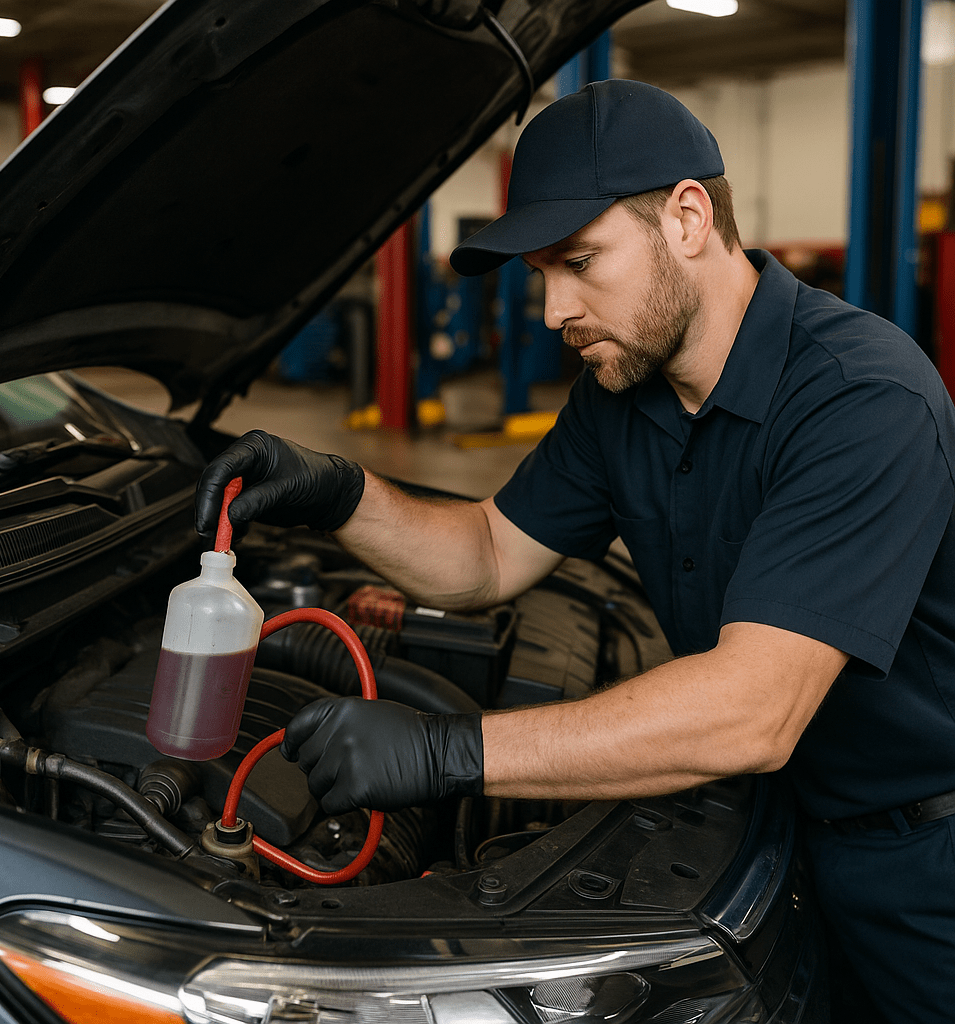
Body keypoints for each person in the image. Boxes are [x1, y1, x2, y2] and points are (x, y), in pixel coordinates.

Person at [195, 80, 955, 1023]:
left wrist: (450, 752)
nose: (556, 311)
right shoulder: (620, 401)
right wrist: (341, 492)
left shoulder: (861, 399)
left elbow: (754, 710)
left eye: (581, 262)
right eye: (541, 275)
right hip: (773, 828)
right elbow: (485, 554)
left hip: (925, 864)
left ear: (686, 218)